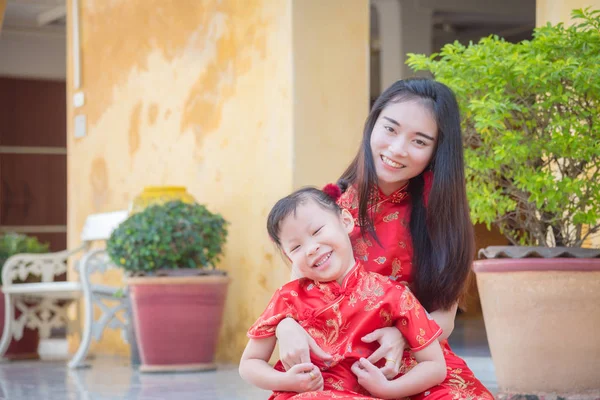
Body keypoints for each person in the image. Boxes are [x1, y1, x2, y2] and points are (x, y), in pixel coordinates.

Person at [275, 78, 494, 399]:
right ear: (372, 125)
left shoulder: (441, 218)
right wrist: (286, 329)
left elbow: (444, 319)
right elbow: (293, 297)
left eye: (419, 141)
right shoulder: (326, 211)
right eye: (390, 129)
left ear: (436, 152)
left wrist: (403, 337)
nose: (397, 149)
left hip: (414, 358)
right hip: (333, 361)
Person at [239, 187, 447, 399]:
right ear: (289, 256)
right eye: (296, 247)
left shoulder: (394, 295)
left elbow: (435, 366)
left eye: (317, 231)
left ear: (346, 221)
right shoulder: (288, 298)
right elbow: (249, 363)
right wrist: (287, 381)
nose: (311, 248)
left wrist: (388, 390)